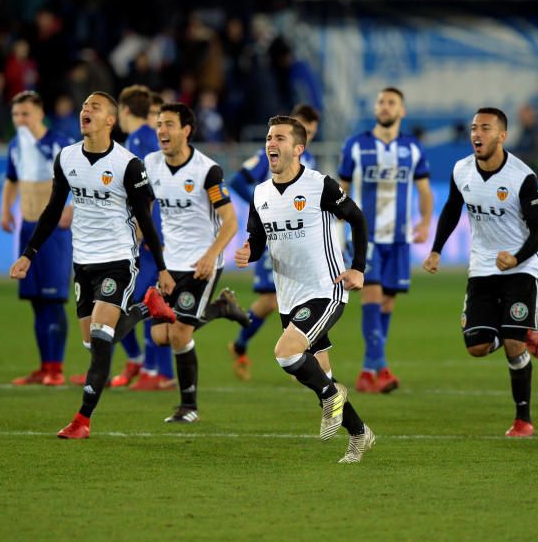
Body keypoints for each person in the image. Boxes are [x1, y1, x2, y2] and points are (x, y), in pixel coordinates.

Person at [10, 91, 176, 439]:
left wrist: (161, 267)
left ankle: (82, 420)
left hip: (117, 259)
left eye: (94, 107)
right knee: (93, 341)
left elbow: (146, 220)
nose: (85, 110)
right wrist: (29, 253)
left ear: (110, 121)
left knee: (101, 342)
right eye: (84, 105)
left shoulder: (128, 164)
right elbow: (54, 209)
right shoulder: (67, 157)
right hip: (82, 260)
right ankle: (147, 307)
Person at [235, 115, 375, 463]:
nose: (271, 143)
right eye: (269, 137)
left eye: (280, 138)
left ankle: (332, 397)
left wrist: (358, 267)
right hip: (289, 295)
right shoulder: (260, 194)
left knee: (286, 353)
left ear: (298, 148)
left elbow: (357, 219)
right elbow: (258, 238)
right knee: (321, 374)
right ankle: (359, 433)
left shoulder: (319, 185)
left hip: (326, 288)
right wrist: (248, 252)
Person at [423, 108, 538, 438]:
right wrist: (436, 250)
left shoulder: (522, 177)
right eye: (474, 128)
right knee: (476, 347)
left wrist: (517, 256)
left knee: (512, 345)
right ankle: (518, 328)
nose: (477, 134)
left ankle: (523, 420)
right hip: (482, 267)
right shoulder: (461, 169)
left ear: (502, 136)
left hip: (522, 266)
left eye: (486, 128)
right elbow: (451, 208)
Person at [144, 102, 249, 423]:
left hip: (203, 260)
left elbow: (230, 222)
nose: (162, 130)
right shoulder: (150, 164)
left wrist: (210, 255)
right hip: (171, 260)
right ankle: (219, 309)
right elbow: (144, 208)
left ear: (186, 130)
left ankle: (188, 407)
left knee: (178, 333)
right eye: (159, 124)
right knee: (159, 336)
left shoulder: (207, 171)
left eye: (169, 124)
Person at [339, 87, 434, 393]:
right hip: (365, 237)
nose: (384, 106)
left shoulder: (412, 148)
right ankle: (383, 367)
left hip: (399, 238)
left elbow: (424, 190)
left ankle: (367, 371)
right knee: (372, 294)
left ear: (401, 111)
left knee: (387, 301)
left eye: (391, 102)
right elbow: (340, 188)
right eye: (380, 101)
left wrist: (425, 222)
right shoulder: (356, 145)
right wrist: (340, 223)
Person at [227, 103, 320, 381]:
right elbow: (238, 180)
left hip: (296, 237)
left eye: (312, 133)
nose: (308, 136)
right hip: (272, 234)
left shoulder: (309, 160)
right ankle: (290, 354)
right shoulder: (267, 154)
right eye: (304, 129)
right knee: (272, 298)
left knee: (283, 298)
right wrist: (266, 208)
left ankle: (289, 352)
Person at [0, 90, 77, 387]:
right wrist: (6, 209)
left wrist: (71, 206)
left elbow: (80, 178)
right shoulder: (16, 145)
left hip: (53, 233)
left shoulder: (58, 143)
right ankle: (44, 366)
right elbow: (11, 180)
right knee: (35, 301)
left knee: (53, 301)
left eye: (26, 114)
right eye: (16, 115)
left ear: (40, 113)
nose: (20, 120)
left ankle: (56, 368)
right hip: (26, 228)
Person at [105, 84, 173, 390]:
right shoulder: (140, 139)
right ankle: (153, 369)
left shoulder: (142, 139)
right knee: (144, 298)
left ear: (125, 110)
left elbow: (150, 189)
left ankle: (155, 370)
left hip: (150, 232)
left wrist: (143, 227)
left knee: (145, 298)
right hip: (149, 230)